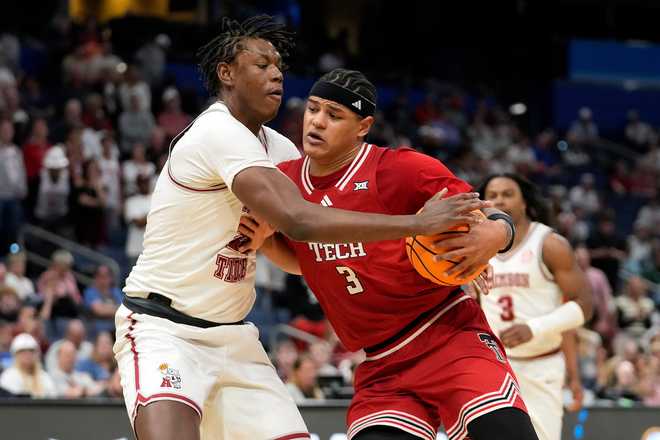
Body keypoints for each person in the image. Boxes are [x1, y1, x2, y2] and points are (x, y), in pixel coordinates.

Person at [112, 16, 488, 440]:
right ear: (227, 73)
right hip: (164, 327)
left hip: (234, 338)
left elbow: (306, 254)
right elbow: (302, 221)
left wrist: (455, 253)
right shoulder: (215, 131)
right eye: (261, 65)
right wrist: (419, 224)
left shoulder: (280, 149)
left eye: (279, 67)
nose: (276, 74)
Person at [244, 68, 531, 440]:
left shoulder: (401, 169)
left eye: (334, 115)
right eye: (313, 109)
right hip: (382, 367)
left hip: (449, 336)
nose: (316, 121)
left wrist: (497, 233)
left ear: (362, 126)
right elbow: (303, 260)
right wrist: (264, 242)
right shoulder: (285, 182)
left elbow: (484, 211)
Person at [474, 173, 593, 440]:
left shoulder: (550, 244)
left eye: (507, 194)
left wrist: (533, 328)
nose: (499, 200)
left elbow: (584, 307)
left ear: (524, 202)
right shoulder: (477, 246)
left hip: (541, 365)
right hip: (494, 365)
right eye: (492, 195)